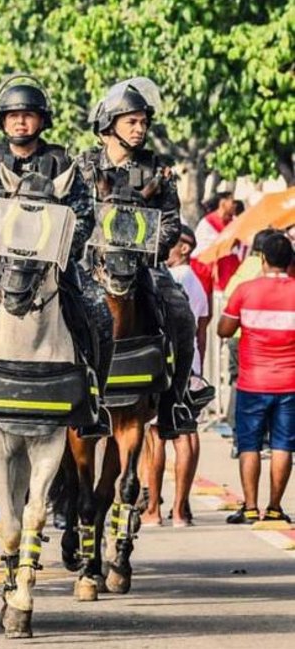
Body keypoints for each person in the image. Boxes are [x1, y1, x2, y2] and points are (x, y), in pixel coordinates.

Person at [0, 75, 113, 438]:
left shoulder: (62, 162)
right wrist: (2, 219)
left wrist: (56, 240)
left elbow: (84, 218)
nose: (20, 122)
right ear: (2, 121)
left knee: (100, 312)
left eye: (28, 115)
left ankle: (95, 400)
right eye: (12, 115)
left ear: (42, 120)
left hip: (52, 266)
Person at [79, 78, 200, 436]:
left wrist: (145, 250)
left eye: (143, 122)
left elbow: (171, 223)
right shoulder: (83, 166)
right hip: (87, 265)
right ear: (109, 125)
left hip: (141, 267)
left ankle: (175, 404)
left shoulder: (157, 169)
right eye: (131, 121)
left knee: (180, 313)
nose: (140, 128)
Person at [218, 233, 295, 525]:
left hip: (252, 383)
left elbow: (224, 330)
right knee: (282, 445)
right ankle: (275, 508)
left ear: (262, 259)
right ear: (289, 262)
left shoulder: (245, 290)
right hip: (290, 383)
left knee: (249, 444)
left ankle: (250, 506)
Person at [142, 227, 210, 527]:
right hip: (190, 361)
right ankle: (181, 510)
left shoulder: (176, 278)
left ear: (185, 248)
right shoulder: (192, 279)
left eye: (174, 245)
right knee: (186, 433)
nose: (168, 249)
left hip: (170, 361)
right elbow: (203, 330)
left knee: (159, 436)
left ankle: (155, 508)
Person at [192, 192, 242, 293]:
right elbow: (202, 249)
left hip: (230, 268)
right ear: (223, 203)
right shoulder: (207, 223)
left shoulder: (235, 222)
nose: (235, 205)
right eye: (232, 201)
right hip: (209, 270)